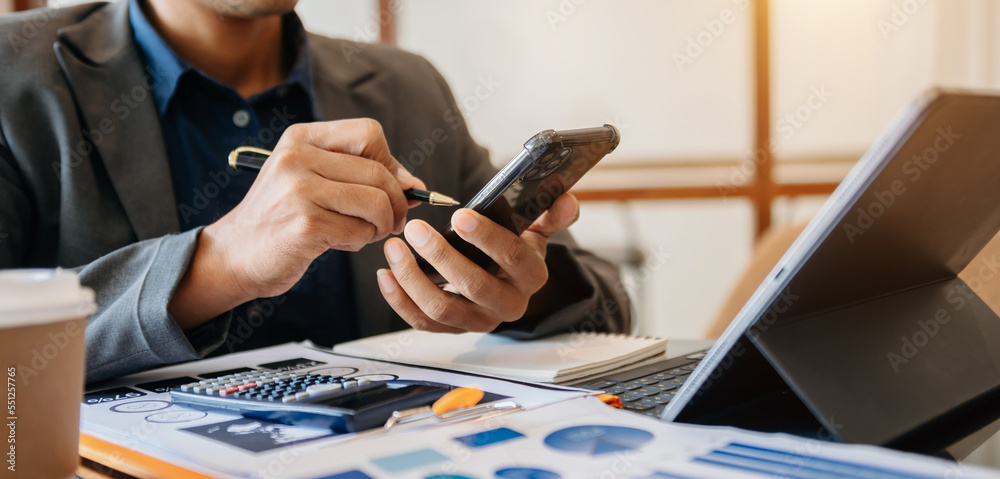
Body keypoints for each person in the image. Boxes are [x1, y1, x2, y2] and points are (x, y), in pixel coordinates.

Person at [0, 0, 630, 383]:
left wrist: (526, 295)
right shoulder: (13, 75)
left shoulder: (407, 89)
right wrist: (217, 265)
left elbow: (610, 311)